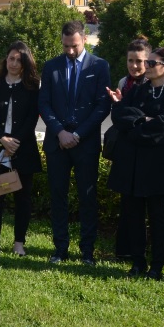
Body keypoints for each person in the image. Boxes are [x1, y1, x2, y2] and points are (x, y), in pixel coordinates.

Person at [106, 46, 164, 280]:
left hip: (158, 166)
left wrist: (135, 125)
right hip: (132, 163)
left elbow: (163, 127)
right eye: (147, 63)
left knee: (158, 217)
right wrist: (142, 120)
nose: (146, 67)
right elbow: (119, 115)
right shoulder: (139, 90)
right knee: (134, 214)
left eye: (152, 63)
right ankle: (138, 261)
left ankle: (157, 265)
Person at [38, 20, 111, 265]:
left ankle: (87, 251)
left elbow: (103, 106)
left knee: (87, 197)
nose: (70, 51)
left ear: (85, 40)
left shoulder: (100, 66)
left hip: (86, 142)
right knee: (58, 196)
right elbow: (44, 103)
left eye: (74, 46)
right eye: (66, 46)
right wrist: (59, 132)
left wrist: (78, 134)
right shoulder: (51, 67)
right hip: (57, 142)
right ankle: (60, 248)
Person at [0, 41, 42, 256]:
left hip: (23, 149)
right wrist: (2, 139)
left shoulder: (32, 87)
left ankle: (19, 243)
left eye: (19, 60)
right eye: (11, 58)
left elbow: (32, 118)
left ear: (25, 63)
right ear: (6, 60)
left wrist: (14, 142)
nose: (13, 63)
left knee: (23, 198)